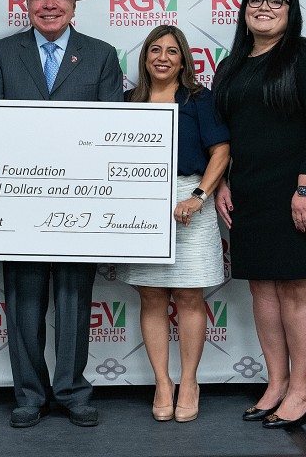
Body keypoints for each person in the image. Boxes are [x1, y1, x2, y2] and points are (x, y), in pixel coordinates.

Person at [0, 0, 124, 428]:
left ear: (73, 3)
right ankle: (28, 394)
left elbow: (113, 133)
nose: (48, 3)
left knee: (73, 300)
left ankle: (72, 390)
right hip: (18, 201)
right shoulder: (2, 54)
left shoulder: (102, 55)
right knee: (23, 303)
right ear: (25, 2)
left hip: (79, 205)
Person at [212, 0, 306, 430]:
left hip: (301, 190)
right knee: (262, 290)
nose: (265, 7)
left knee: (298, 289)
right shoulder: (231, 66)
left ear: (291, 10)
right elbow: (223, 135)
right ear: (244, 9)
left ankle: (303, 391)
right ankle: (276, 385)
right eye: (257, 0)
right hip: (250, 192)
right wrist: (221, 183)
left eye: (277, 1)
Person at [115, 25, 230, 423]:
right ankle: (163, 383)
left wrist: (198, 197)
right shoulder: (126, 101)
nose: (162, 57)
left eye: (172, 52)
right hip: (139, 202)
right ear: (145, 58)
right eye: (154, 51)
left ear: (184, 60)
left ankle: (190, 381)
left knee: (190, 298)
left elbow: (221, 151)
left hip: (190, 199)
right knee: (151, 297)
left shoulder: (199, 99)